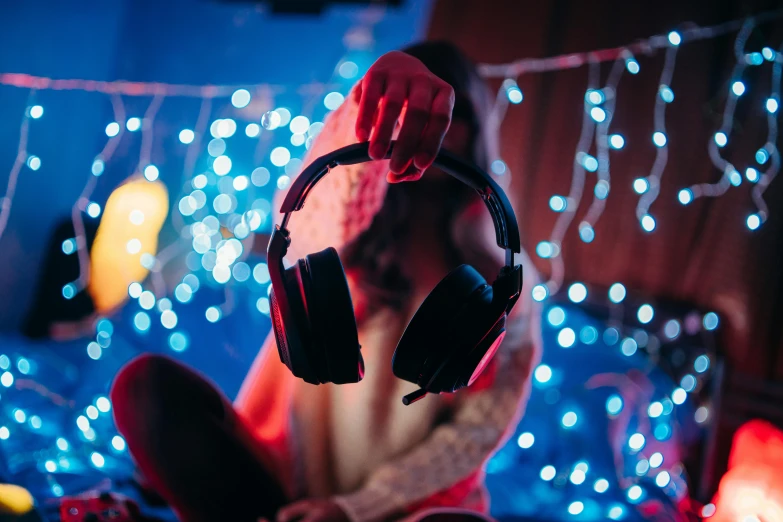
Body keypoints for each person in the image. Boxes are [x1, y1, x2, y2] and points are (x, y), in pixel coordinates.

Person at [110, 41, 542, 522]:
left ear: (476, 128)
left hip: (405, 511)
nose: (430, 134)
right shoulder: (342, 231)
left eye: (451, 117)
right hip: (280, 488)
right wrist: (368, 107)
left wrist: (352, 510)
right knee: (145, 389)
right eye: (408, 119)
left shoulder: (505, 280)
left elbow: (476, 434)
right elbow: (313, 213)